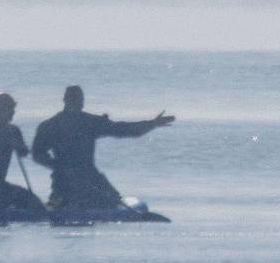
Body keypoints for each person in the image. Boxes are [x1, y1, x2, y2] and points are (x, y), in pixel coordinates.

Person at [31, 85, 174, 210]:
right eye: (76, 99)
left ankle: (63, 202)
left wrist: (152, 123)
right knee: (112, 201)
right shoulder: (64, 124)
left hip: (82, 178)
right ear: (69, 100)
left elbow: (122, 129)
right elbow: (37, 154)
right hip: (70, 180)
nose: (78, 102)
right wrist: (61, 167)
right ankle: (65, 201)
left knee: (109, 199)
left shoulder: (81, 122)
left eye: (78, 99)